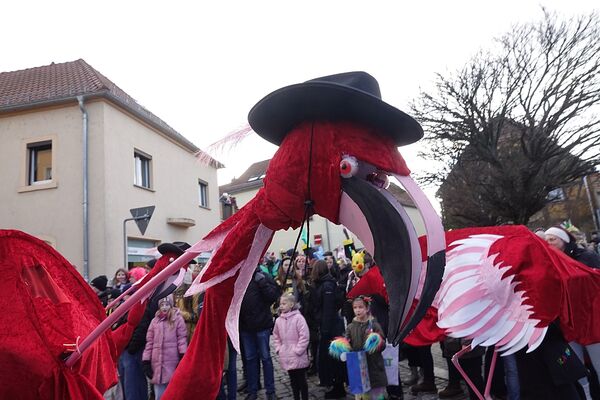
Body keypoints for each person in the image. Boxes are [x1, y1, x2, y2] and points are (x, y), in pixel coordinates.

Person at [545, 226, 600, 399]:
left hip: (591, 322)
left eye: (552, 239)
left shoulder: (587, 257)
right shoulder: (549, 261)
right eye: (546, 240)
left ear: (564, 240)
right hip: (569, 324)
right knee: (576, 368)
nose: (548, 243)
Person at [239, 266, 281, 400]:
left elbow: (274, 296)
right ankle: (253, 390)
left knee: (266, 358)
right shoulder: (239, 278)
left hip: (262, 326)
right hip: (245, 327)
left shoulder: (263, 277)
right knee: (250, 359)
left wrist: (262, 284)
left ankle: (270, 391)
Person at [311, 260, 346, 399]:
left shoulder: (327, 286)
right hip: (329, 327)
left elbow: (328, 310)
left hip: (331, 329)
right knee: (331, 360)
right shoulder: (325, 284)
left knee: (334, 359)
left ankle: (337, 387)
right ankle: (335, 385)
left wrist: (324, 331)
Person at [142, 296, 187, 400]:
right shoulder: (154, 321)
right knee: (159, 395)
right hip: (157, 364)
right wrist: (146, 360)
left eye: (167, 305)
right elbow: (149, 342)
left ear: (171, 306)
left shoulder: (177, 319)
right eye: (162, 305)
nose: (164, 307)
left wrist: (182, 355)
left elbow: (181, 339)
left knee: (173, 393)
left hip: (172, 362)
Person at [345, 296, 387, 399]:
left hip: (374, 366)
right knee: (362, 395)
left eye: (360, 307)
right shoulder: (350, 327)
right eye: (355, 308)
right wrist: (345, 346)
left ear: (367, 308)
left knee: (377, 395)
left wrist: (376, 341)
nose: (358, 310)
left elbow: (383, 344)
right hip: (359, 368)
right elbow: (347, 343)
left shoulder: (374, 325)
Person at [273, 293, 310, 400]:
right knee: (293, 380)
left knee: (301, 380)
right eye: (281, 304)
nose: (281, 306)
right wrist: (279, 348)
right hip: (286, 355)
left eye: (284, 304)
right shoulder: (279, 320)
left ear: (291, 304)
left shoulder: (298, 318)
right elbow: (276, 335)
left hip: (298, 355)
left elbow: (304, 335)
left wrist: (298, 350)